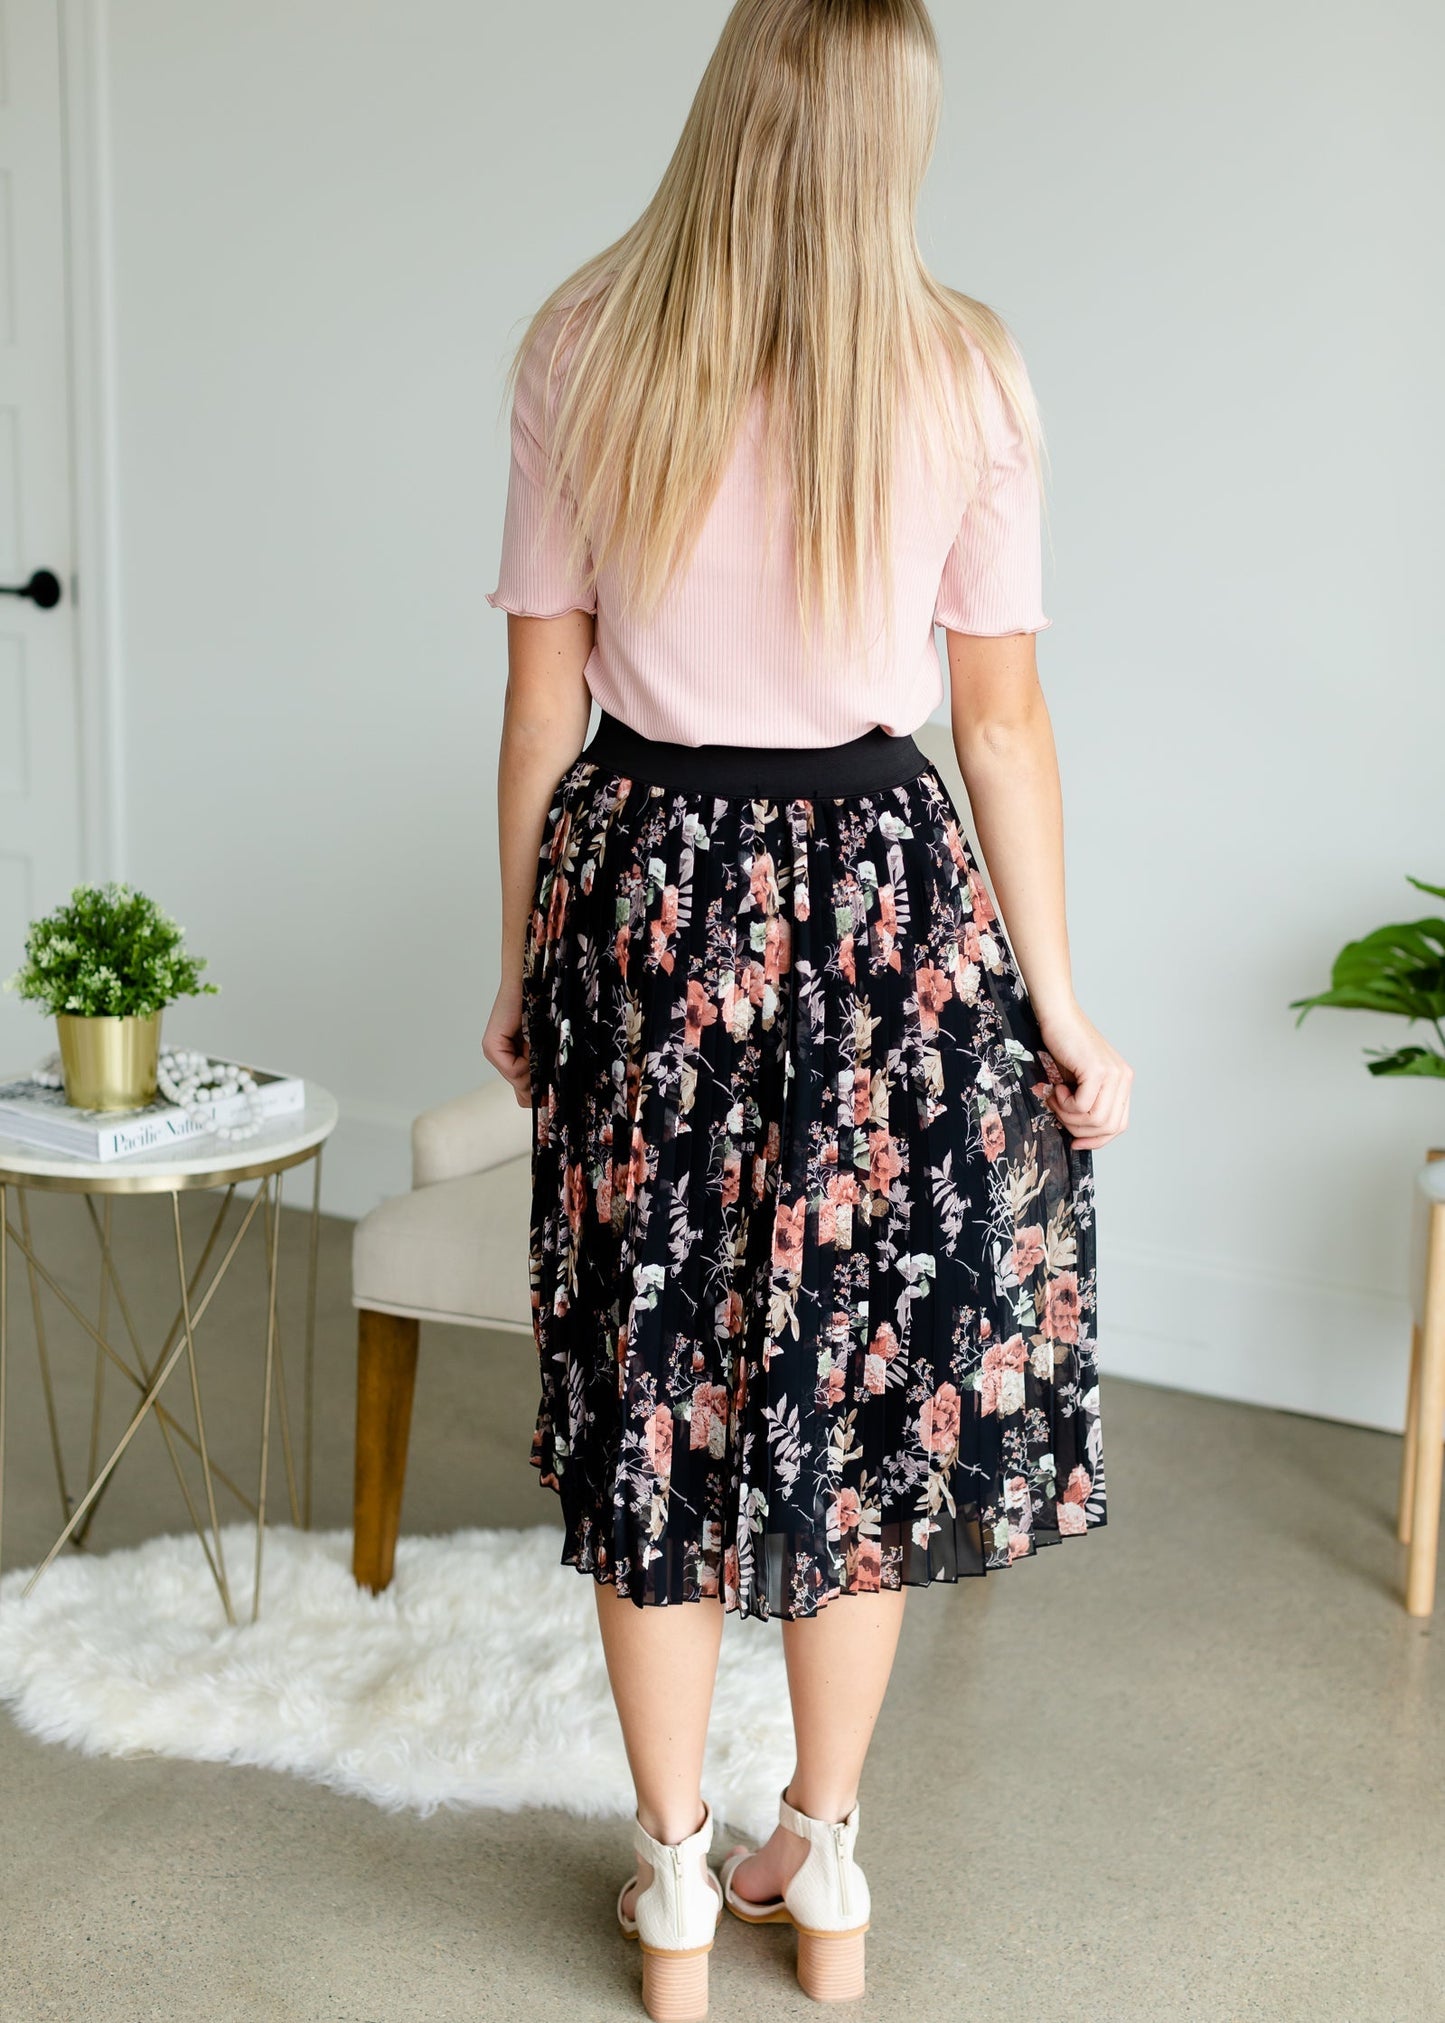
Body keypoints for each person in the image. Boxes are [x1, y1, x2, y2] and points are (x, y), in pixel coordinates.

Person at [482, 2, 1130, 2013]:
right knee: (860, 1391)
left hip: (645, 903)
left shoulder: (584, 340)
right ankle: (823, 1860)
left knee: (656, 1396)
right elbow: (999, 725)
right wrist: (1061, 1004)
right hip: (879, 905)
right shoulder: (965, 369)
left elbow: (541, 700)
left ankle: (676, 1879)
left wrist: (518, 966)